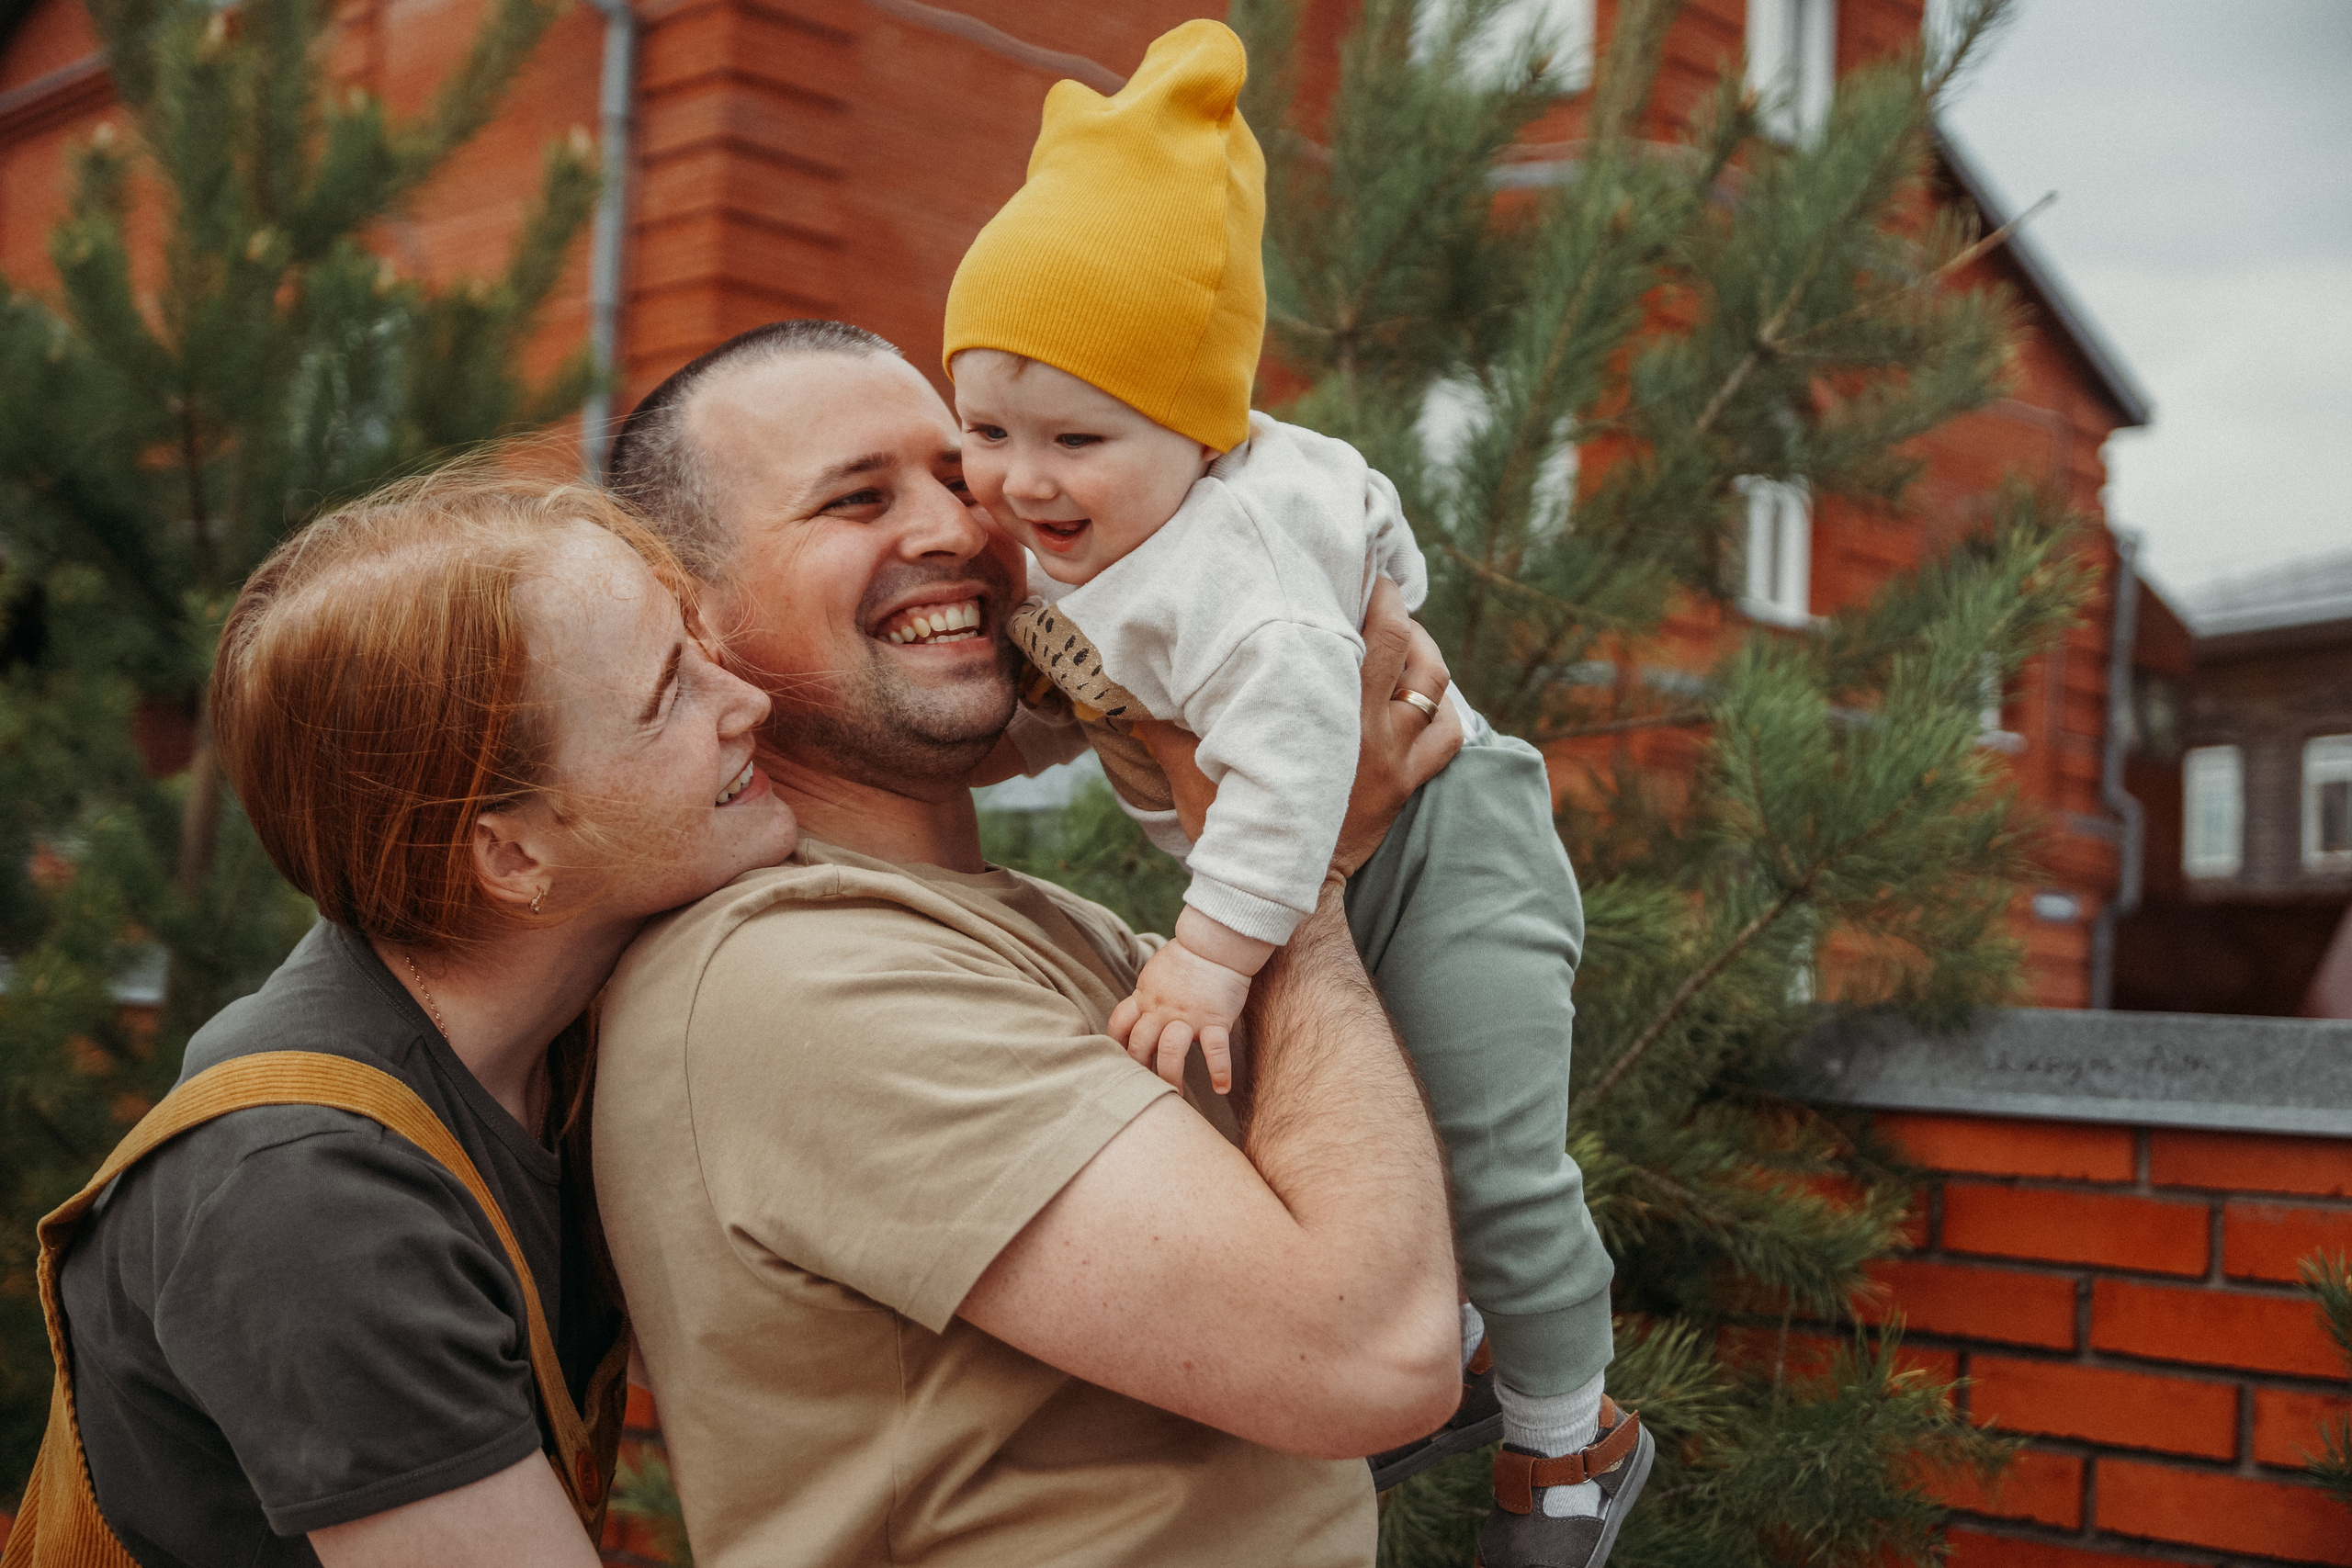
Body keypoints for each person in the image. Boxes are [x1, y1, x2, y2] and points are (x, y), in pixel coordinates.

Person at [939, 20, 1643, 1568]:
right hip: (1288, 866)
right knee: (1323, 1147)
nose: (1024, 481)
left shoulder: (1241, 581)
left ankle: (1569, 1436)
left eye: (1077, 438)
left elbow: (1299, 783)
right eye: (985, 432)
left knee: (1494, 1153)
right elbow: (1086, 694)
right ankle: (1445, 1360)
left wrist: (1209, 953)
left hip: (1446, 845)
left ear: (1196, 421)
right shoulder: (1095, 534)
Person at [594, 317, 1465, 1566]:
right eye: (855, 499)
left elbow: (1373, 1223)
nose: (956, 528)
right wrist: (1298, 872)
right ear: (697, 614)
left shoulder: (1047, 928)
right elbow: (1373, 1354)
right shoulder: (794, 976)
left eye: (962, 473)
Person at [48, 470, 797, 1568]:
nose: (747, 702)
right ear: (513, 854)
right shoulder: (306, 1189)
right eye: (668, 697)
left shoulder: (554, 1042)